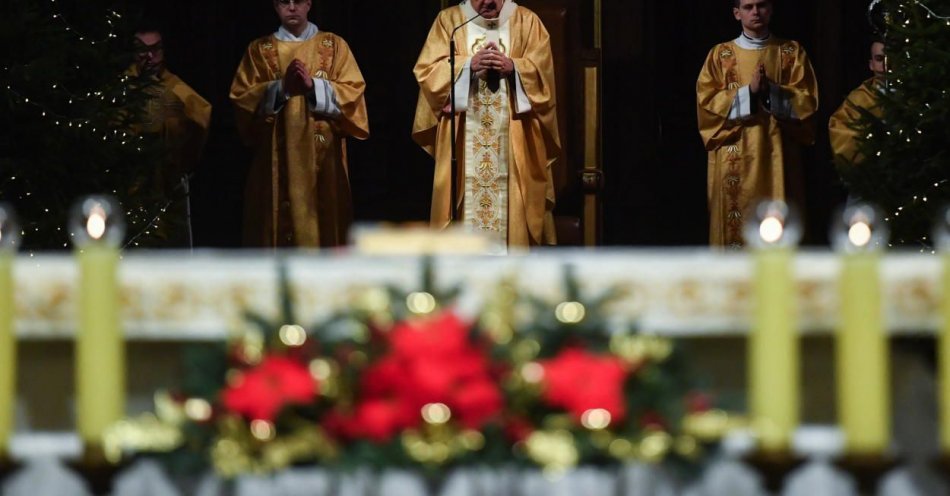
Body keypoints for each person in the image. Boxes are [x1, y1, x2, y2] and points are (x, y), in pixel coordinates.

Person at [413, 0, 560, 248]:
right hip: (463, 143)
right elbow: (428, 72)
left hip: (515, 142)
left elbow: (544, 77)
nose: (489, 2)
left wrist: (514, 67)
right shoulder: (450, 23)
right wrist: (468, 65)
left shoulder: (527, 21)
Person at [230, 0, 369, 247]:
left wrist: (313, 87)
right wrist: (281, 88)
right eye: (285, 2)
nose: (292, 7)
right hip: (274, 160)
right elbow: (242, 100)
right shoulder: (259, 49)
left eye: (298, 1)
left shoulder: (334, 46)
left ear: (309, 4)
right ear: (275, 6)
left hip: (325, 161)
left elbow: (353, 94)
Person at [696, 0, 819, 248]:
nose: (755, 12)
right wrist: (748, 92)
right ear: (736, 13)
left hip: (777, 153)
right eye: (748, 6)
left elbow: (808, 102)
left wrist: (770, 92)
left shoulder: (791, 52)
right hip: (734, 153)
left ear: (771, 10)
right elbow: (706, 104)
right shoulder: (721, 55)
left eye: (761, 6)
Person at [133, 26, 212, 247]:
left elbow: (202, 116)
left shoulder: (175, 88)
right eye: (142, 50)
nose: (149, 57)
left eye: (155, 49)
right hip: (133, 180)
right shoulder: (124, 87)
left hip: (168, 180)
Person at [829, 40, 886, 166]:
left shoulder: (912, 94)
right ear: (871, 65)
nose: (886, 65)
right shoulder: (858, 98)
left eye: (890, 59)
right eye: (879, 59)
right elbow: (840, 131)